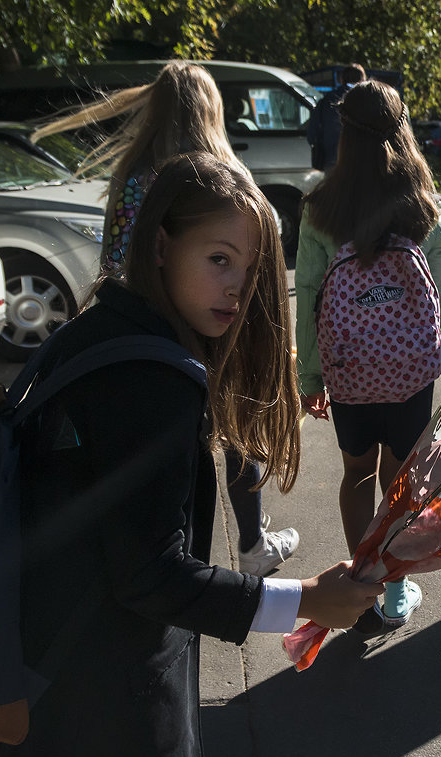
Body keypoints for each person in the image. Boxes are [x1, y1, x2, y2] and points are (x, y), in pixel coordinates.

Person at [0, 153, 382, 757]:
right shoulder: (153, 379)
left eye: (249, 267)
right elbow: (150, 575)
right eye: (218, 258)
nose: (238, 287)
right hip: (101, 707)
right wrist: (304, 599)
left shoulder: (95, 327)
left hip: (38, 663)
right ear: (162, 244)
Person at [33, 61, 300, 576]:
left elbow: (115, 260)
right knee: (238, 428)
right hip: (211, 339)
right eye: (218, 259)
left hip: (141, 330)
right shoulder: (230, 176)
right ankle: (249, 542)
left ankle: (185, 548)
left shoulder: (131, 178)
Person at [294, 81, 441, 633]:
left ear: (344, 136)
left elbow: (308, 294)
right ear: (403, 131)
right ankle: (395, 583)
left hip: (348, 368)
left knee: (356, 472)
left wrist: (310, 375)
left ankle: (358, 585)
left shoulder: (321, 207)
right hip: (409, 369)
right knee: (399, 479)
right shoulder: (421, 205)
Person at [308, 63, 366, 170]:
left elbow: (312, 132)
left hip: (331, 159)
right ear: (362, 79)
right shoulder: (366, 100)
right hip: (360, 162)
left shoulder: (327, 99)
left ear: (342, 79)